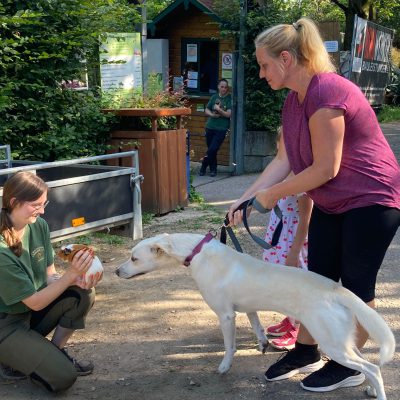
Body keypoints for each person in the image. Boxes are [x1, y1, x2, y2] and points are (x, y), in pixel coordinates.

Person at [228, 17, 400, 394]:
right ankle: (306, 350)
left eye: (264, 65)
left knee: (354, 286)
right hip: (335, 201)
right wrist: (243, 198)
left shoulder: (326, 92)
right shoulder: (294, 101)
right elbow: (282, 161)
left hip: (372, 198)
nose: (261, 74)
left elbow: (326, 167)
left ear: (286, 59)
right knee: (314, 282)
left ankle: (348, 363)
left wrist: (272, 195)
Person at [0, 171, 102, 392]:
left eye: (44, 203)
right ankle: (13, 359)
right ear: (14, 202)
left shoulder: (38, 225)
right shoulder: (1, 250)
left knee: (82, 293)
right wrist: (71, 274)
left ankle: (52, 355)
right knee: (65, 377)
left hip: (28, 313)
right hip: (6, 324)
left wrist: (80, 278)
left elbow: (49, 276)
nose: (43, 210)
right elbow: (35, 302)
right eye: (36, 204)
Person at [264, 191, 312, 351]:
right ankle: (292, 319)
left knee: (296, 284)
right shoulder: (285, 172)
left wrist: (294, 252)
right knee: (284, 282)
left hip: (293, 240)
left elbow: (306, 217)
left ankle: (299, 328)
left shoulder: (302, 175)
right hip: (281, 234)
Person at [199, 79, 232, 177]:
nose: (224, 89)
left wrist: (219, 110)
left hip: (221, 129)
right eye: (222, 87)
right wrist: (212, 115)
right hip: (210, 127)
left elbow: (228, 114)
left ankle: (204, 165)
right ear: (218, 87)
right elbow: (206, 110)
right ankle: (213, 169)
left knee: (213, 149)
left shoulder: (229, 98)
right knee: (211, 149)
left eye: (225, 87)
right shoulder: (214, 97)